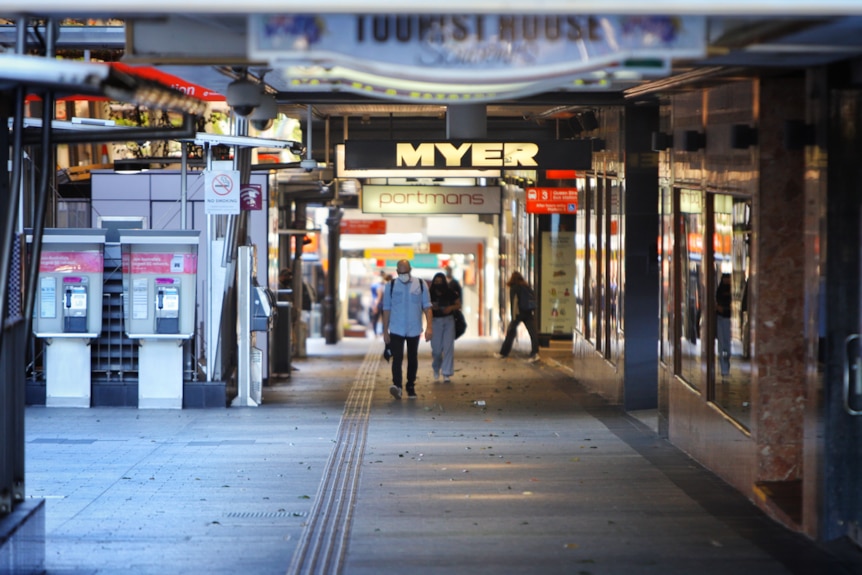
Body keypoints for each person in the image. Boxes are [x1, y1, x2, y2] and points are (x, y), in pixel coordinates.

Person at [382, 259, 433, 399]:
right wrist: (385, 331)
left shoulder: (421, 285)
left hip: (414, 328)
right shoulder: (390, 286)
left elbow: (427, 307)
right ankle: (397, 386)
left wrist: (429, 327)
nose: (404, 274)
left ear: (410, 270)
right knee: (396, 358)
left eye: (406, 271)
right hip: (396, 328)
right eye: (401, 272)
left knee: (412, 358)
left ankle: (410, 385)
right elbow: (386, 309)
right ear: (397, 272)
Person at [496, 271, 540, 362]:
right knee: (533, 333)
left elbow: (514, 303)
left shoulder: (514, 288)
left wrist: (514, 317)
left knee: (510, 333)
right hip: (528, 312)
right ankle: (535, 353)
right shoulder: (526, 286)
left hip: (519, 313)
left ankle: (503, 353)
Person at [429, 272, 461, 383]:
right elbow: (423, 306)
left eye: (440, 281)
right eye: (436, 281)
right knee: (436, 349)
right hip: (435, 321)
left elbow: (458, 304)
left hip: (448, 321)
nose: (438, 283)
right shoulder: (429, 293)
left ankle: (447, 372)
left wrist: (450, 308)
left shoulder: (450, 292)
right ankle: (436, 367)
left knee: (448, 347)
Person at [715, 272, 732, 378]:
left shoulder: (729, 290)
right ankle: (723, 369)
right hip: (721, 318)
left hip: (727, 318)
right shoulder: (720, 290)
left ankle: (726, 368)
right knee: (722, 344)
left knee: (726, 345)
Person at [368, 271, 386, 336]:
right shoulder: (376, 285)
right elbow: (377, 296)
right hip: (378, 304)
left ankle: (381, 332)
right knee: (376, 318)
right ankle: (376, 332)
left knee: (383, 319)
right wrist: (374, 305)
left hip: (382, 304)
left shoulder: (384, 285)